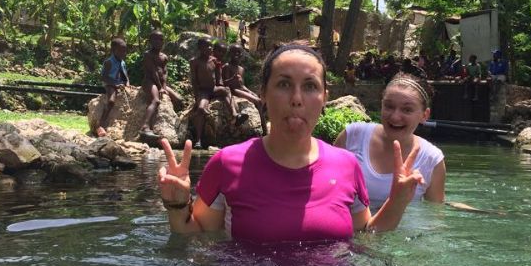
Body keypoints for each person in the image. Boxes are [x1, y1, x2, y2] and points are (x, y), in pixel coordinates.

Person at [158, 43, 426, 241]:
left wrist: (397, 201)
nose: (297, 99)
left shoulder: (347, 165)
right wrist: (177, 206)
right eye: (284, 85)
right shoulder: (227, 163)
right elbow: (198, 238)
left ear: (324, 98)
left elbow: (366, 236)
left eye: (310, 86)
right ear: (263, 93)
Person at [334, 73, 445, 210]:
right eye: (389, 106)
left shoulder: (432, 159)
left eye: (407, 110)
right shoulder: (352, 136)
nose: (395, 117)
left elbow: (434, 214)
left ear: (424, 115)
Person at [190, 38, 246, 149]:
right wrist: (197, 98)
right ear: (200, 48)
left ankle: (235, 115)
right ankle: (198, 140)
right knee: (200, 109)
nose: (210, 48)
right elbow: (194, 81)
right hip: (203, 91)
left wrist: (226, 85)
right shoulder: (195, 61)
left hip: (213, 89)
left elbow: (219, 80)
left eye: (211, 46)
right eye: (207, 46)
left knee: (226, 90)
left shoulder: (214, 61)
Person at [223, 44, 268, 134]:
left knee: (262, 101)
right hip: (233, 90)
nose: (237, 54)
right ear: (230, 53)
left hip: (240, 89)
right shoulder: (227, 66)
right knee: (258, 101)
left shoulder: (241, 69)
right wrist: (233, 79)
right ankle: (264, 130)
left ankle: (262, 120)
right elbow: (225, 83)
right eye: (234, 52)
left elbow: (242, 85)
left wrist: (250, 91)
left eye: (239, 52)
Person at [97, 37, 129, 138]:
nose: (124, 53)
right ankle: (100, 125)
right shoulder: (109, 62)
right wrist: (115, 84)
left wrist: (127, 84)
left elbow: (125, 75)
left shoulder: (122, 62)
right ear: (114, 50)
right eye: (121, 51)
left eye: (125, 51)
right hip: (109, 83)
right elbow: (103, 77)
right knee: (111, 101)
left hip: (120, 83)